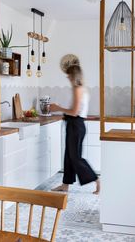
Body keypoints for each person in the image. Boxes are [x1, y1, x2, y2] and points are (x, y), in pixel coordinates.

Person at [50, 64, 100, 194]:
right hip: (75, 124)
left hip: (76, 124)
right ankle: (65, 185)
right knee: (69, 156)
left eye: (69, 75)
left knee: (75, 157)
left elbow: (74, 111)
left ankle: (96, 180)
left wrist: (57, 107)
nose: (67, 77)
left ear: (74, 76)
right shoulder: (81, 88)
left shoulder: (78, 89)